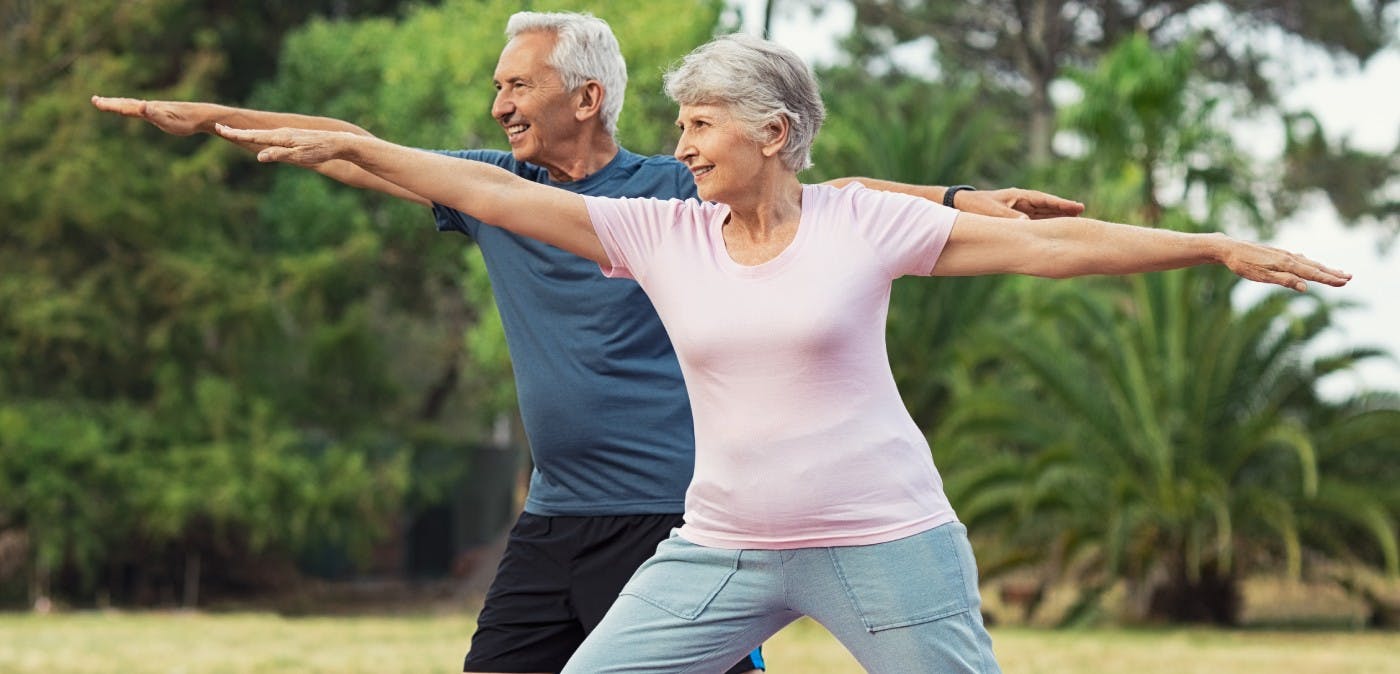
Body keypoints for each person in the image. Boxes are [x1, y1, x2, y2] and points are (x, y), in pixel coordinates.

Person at [207, 30, 1352, 672]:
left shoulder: (862, 218)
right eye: (676, 125)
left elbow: (1051, 249)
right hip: (720, 549)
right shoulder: (656, 232)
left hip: (885, 543)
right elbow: (475, 187)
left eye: (699, 124)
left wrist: (1208, 244)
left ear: (773, 133)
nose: (679, 145)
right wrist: (346, 145)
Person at [94, 12, 1086, 674]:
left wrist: (959, 200)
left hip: (670, 520)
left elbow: (833, 197)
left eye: (517, 84)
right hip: (554, 516)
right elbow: (352, 142)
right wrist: (213, 118)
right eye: (496, 88)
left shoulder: (675, 192)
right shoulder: (495, 192)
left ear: (587, 96)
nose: (499, 105)